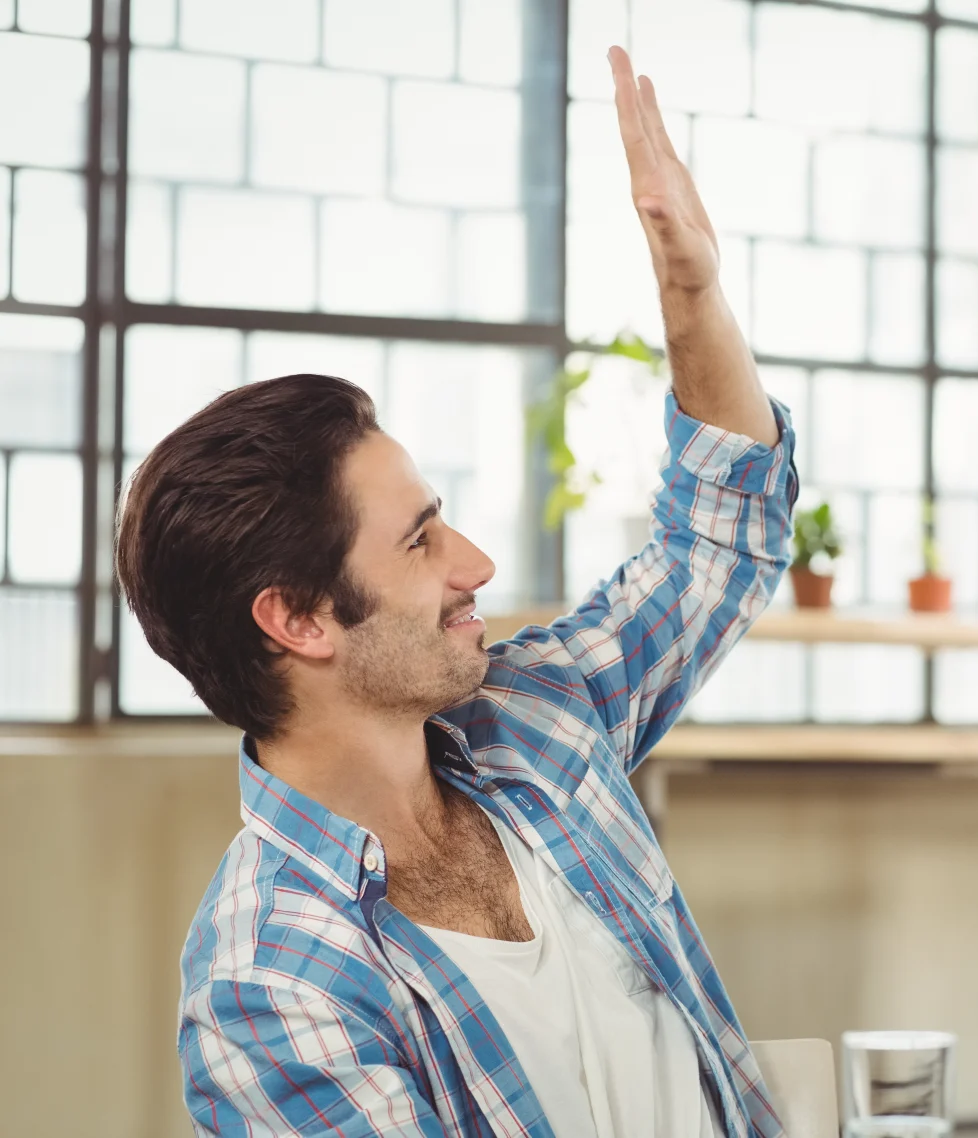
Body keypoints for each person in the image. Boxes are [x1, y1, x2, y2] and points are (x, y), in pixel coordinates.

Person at [115, 49, 793, 1138]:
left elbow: (720, 540)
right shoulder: (273, 985)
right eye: (422, 539)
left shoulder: (538, 721)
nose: (475, 563)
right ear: (296, 619)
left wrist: (695, 294)